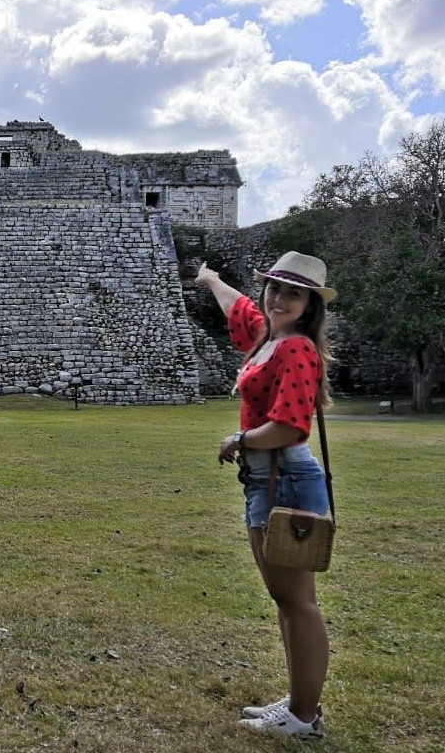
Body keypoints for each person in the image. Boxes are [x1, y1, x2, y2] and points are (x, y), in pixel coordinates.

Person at [195, 251, 336, 740]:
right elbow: (240, 309)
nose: (278, 299)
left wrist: (239, 440)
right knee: (286, 599)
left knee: (297, 602)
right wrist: (211, 278)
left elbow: (289, 427)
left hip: (285, 476)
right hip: (268, 478)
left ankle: (302, 717)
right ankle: (300, 704)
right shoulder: (267, 338)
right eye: (274, 288)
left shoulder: (295, 349)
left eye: (292, 293)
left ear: (310, 305)